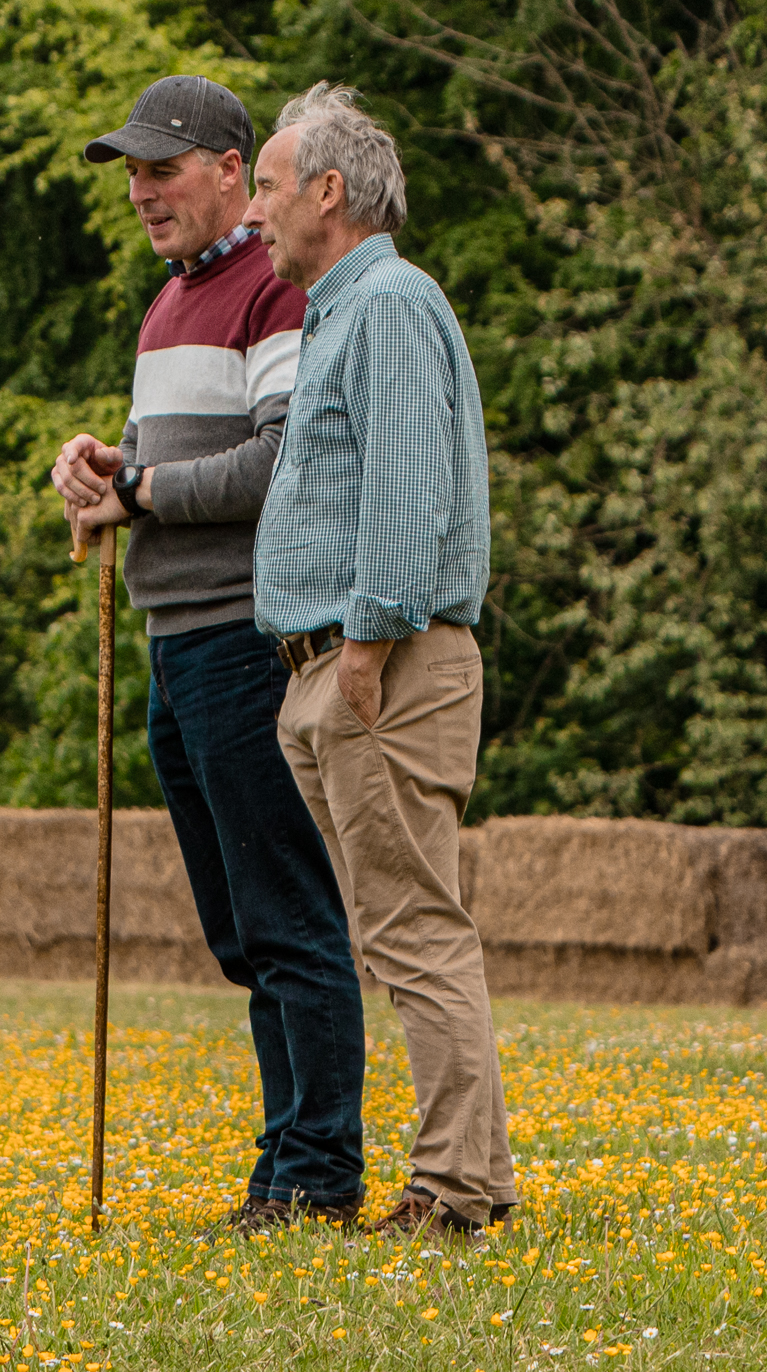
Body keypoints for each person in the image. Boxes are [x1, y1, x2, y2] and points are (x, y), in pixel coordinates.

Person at [45, 76, 372, 1236]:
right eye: (131, 173)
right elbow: (151, 464)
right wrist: (95, 471)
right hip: (169, 645)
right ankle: (284, 1165)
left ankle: (315, 1175)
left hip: (241, 639)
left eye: (161, 168)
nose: (141, 192)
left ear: (231, 170)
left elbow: (275, 462)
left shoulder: (268, 295)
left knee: (285, 918)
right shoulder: (165, 305)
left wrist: (135, 489)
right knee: (240, 929)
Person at [245, 80, 512, 1239]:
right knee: (395, 928)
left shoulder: (390, 303)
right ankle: (474, 1180)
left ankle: (452, 1194)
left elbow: (406, 493)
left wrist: (361, 649)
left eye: (264, 184)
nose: (254, 212)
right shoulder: (337, 311)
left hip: (380, 666)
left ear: (327, 191)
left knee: (411, 930)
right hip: (338, 669)